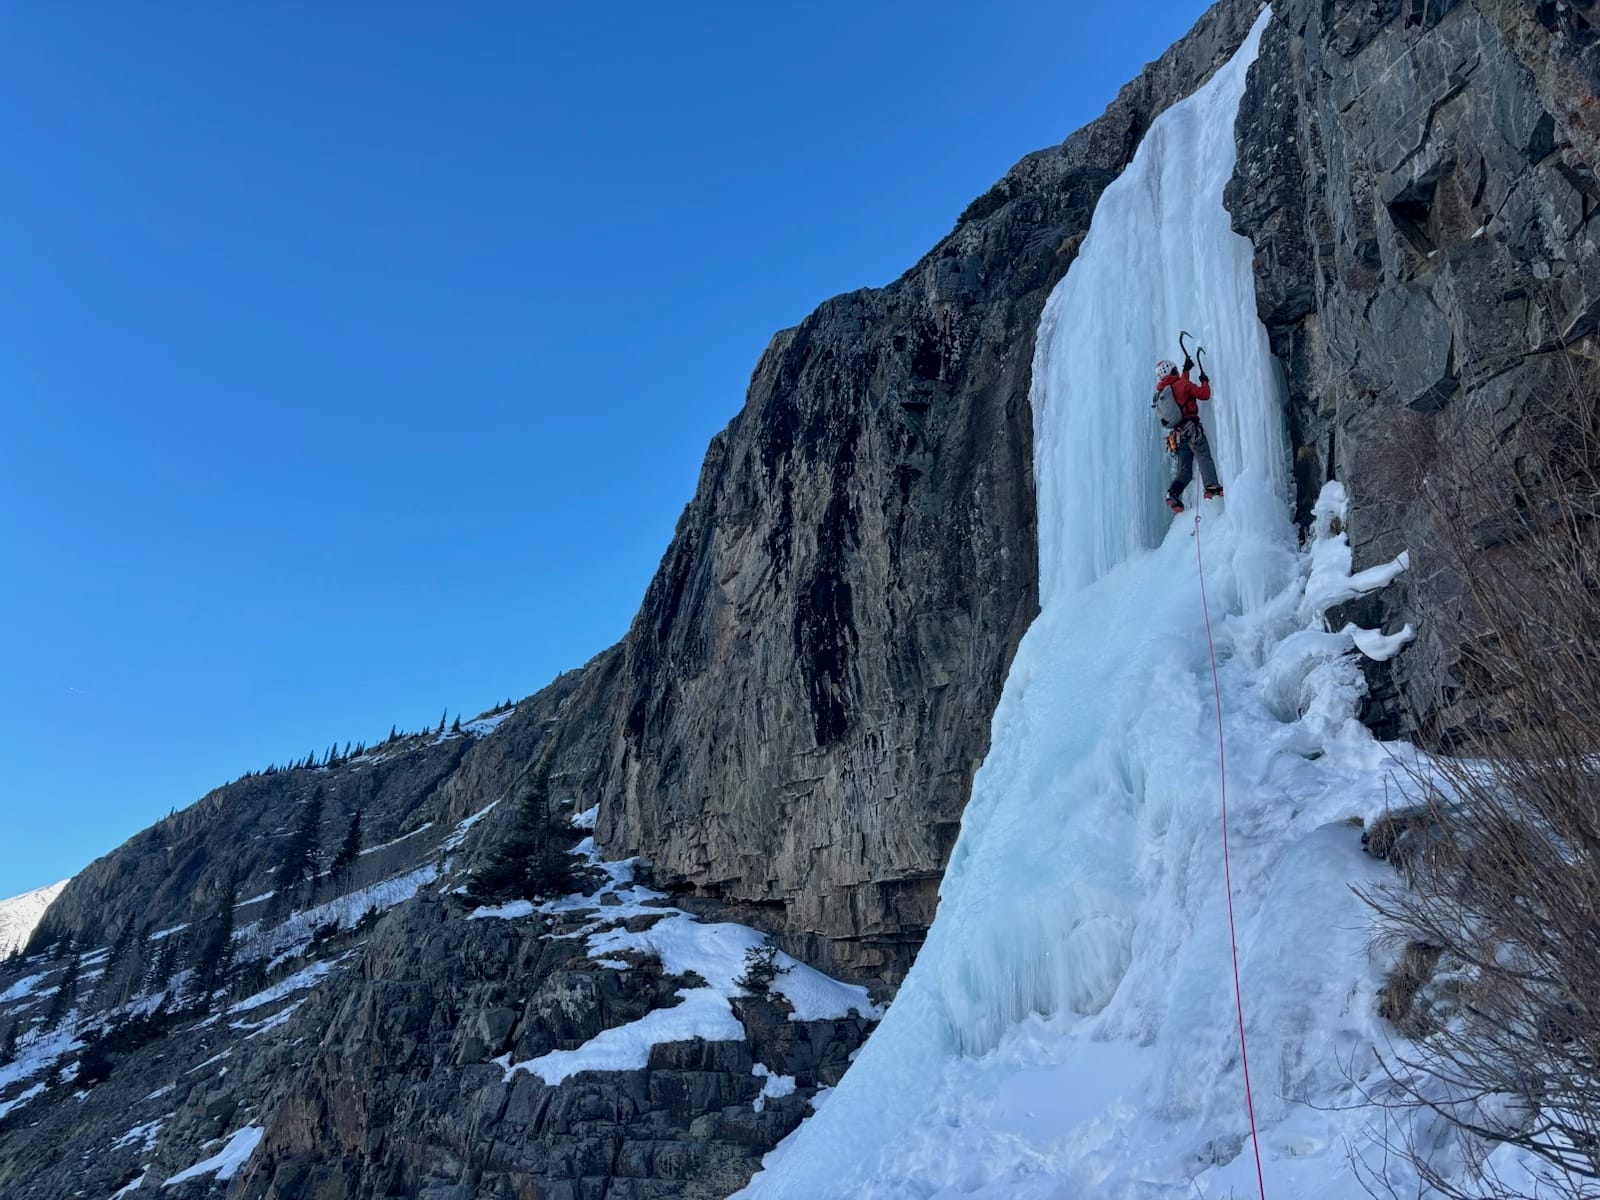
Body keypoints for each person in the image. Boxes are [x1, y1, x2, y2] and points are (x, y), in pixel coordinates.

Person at [1155, 354, 1221, 513]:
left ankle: (1173, 493)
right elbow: (1204, 394)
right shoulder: (1181, 383)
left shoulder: (1164, 391)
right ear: (1173, 371)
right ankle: (1211, 487)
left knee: (1184, 470)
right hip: (1192, 429)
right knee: (1203, 454)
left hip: (1178, 436)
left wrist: (1186, 370)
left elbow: (1180, 392)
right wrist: (1204, 380)